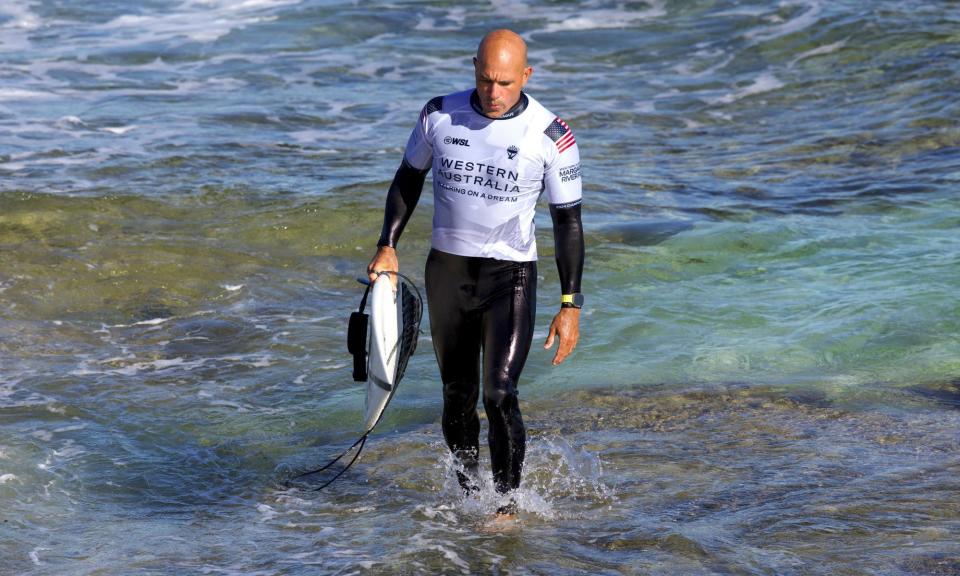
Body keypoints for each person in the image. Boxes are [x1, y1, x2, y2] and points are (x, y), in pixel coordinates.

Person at [367, 29, 585, 517]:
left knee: (499, 392)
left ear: (526, 76)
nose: (493, 92)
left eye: (505, 83)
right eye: (485, 79)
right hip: (447, 272)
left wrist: (570, 305)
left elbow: (568, 222)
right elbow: (408, 178)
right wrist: (387, 245)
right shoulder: (439, 115)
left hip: (511, 278)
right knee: (456, 396)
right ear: (473, 68)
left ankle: (505, 507)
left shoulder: (552, 134)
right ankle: (470, 497)